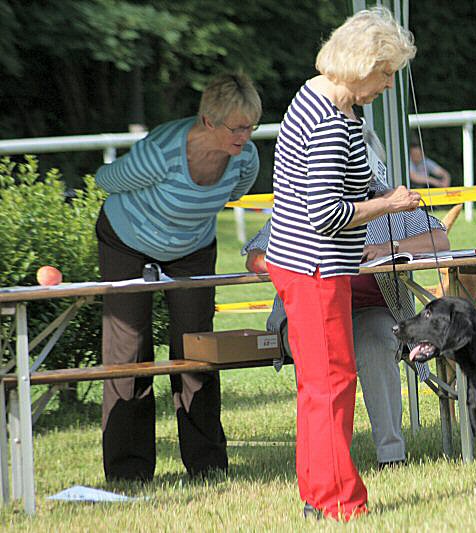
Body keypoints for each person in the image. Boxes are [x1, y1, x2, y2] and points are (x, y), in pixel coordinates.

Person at [261, 7, 418, 521]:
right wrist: (389, 204)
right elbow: (327, 215)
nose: (389, 85)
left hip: (300, 263)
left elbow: (331, 190)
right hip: (316, 268)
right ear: (361, 63)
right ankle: (341, 502)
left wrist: (379, 193)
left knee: (317, 385)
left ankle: (316, 494)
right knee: (333, 383)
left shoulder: (316, 97)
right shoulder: (331, 121)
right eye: (386, 73)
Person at [94, 72, 262, 482]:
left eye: (251, 127)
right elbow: (105, 180)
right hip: (127, 240)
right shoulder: (162, 153)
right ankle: (129, 471)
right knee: (129, 352)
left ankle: (207, 464)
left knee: (197, 348)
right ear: (208, 121)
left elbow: (235, 193)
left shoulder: (245, 158)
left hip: (192, 246)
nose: (244, 137)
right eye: (236, 128)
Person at [244, 205, 449, 470]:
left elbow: (440, 239)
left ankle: (391, 455)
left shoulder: (387, 203)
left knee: (376, 344)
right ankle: (325, 459)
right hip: (311, 310)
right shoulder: (304, 203)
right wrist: (307, 266)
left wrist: (389, 247)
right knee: (318, 349)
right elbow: (255, 259)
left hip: (370, 311)